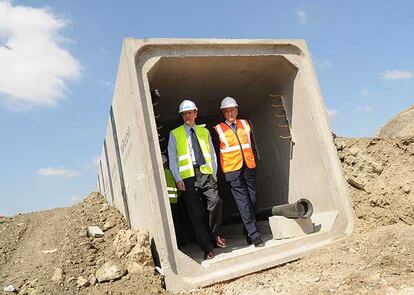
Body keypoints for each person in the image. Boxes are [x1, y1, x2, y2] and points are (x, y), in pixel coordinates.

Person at [167, 99, 227, 260]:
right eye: (184, 113)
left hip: (205, 173)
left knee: (215, 202)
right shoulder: (175, 133)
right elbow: (172, 159)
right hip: (187, 177)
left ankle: (215, 234)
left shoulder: (204, 132)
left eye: (190, 112)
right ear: (182, 116)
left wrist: (214, 173)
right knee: (196, 214)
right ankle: (207, 247)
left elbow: (212, 154)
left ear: (196, 113)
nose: (187, 116)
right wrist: (177, 178)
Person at [213, 96, 264, 247]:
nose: (230, 113)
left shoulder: (245, 124)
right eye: (227, 111)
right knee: (243, 203)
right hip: (232, 170)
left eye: (232, 110)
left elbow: (250, 144)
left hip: (249, 166)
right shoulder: (218, 129)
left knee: (253, 201)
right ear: (223, 113)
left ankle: (248, 229)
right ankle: (255, 235)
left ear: (237, 110)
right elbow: (216, 153)